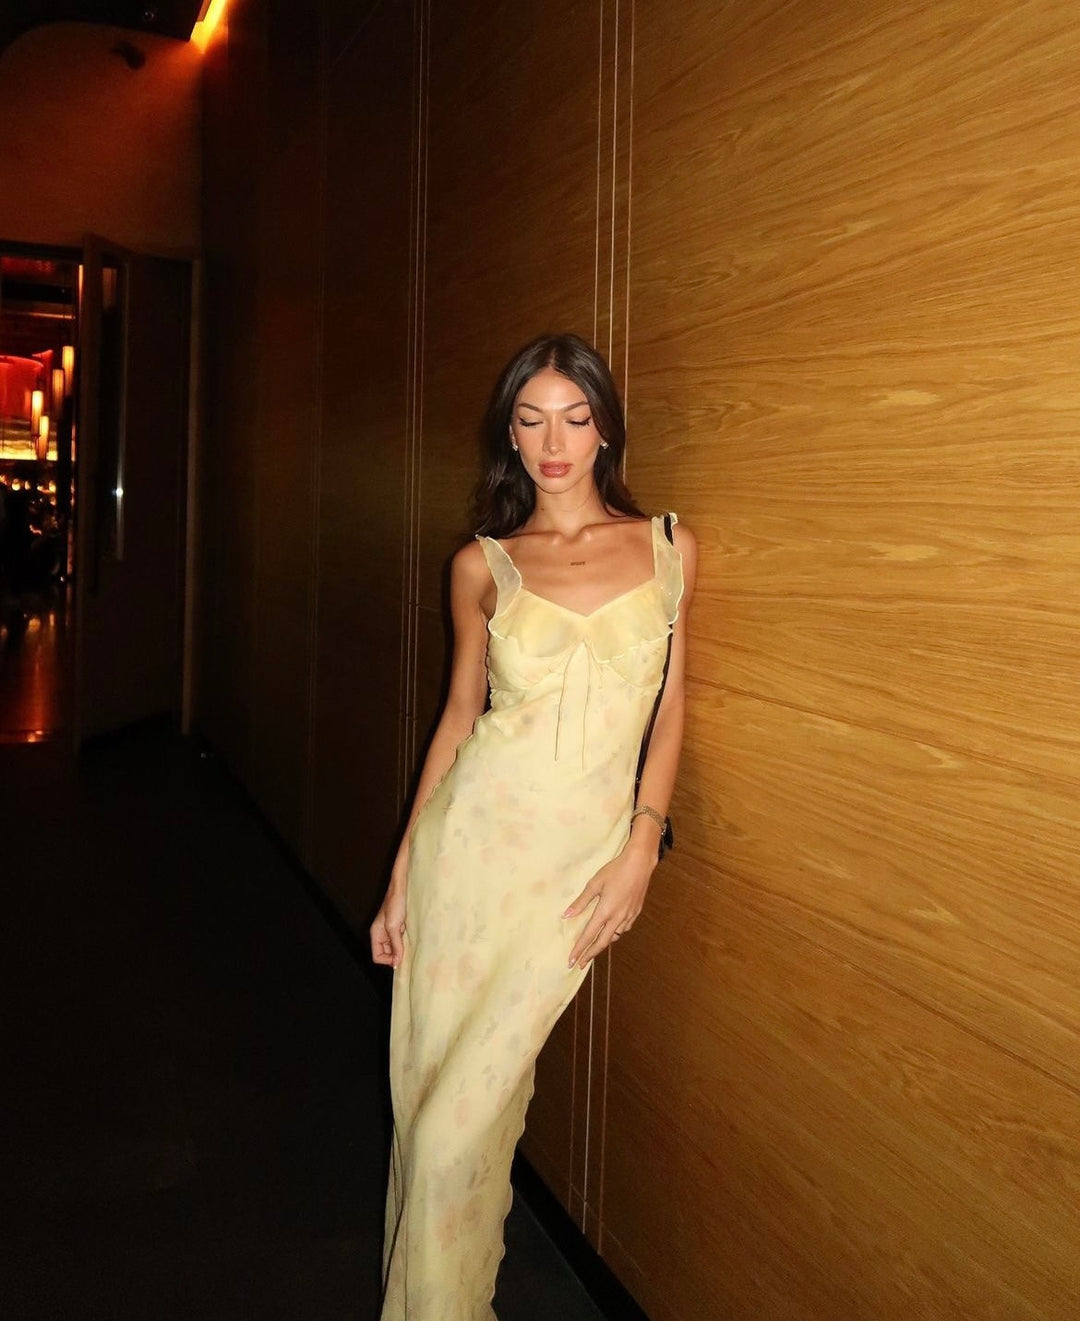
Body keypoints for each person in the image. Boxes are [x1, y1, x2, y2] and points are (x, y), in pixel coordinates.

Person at [370, 332, 697, 1320]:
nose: (553, 441)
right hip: (466, 858)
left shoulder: (673, 546)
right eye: (530, 418)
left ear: (605, 429)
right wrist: (399, 877)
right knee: (436, 1127)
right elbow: (458, 720)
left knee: (455, 1129)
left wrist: (644, 841)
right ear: (508, 436)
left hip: (574, 870)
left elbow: (673, 708)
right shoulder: (482, 564)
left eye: (575, 416)